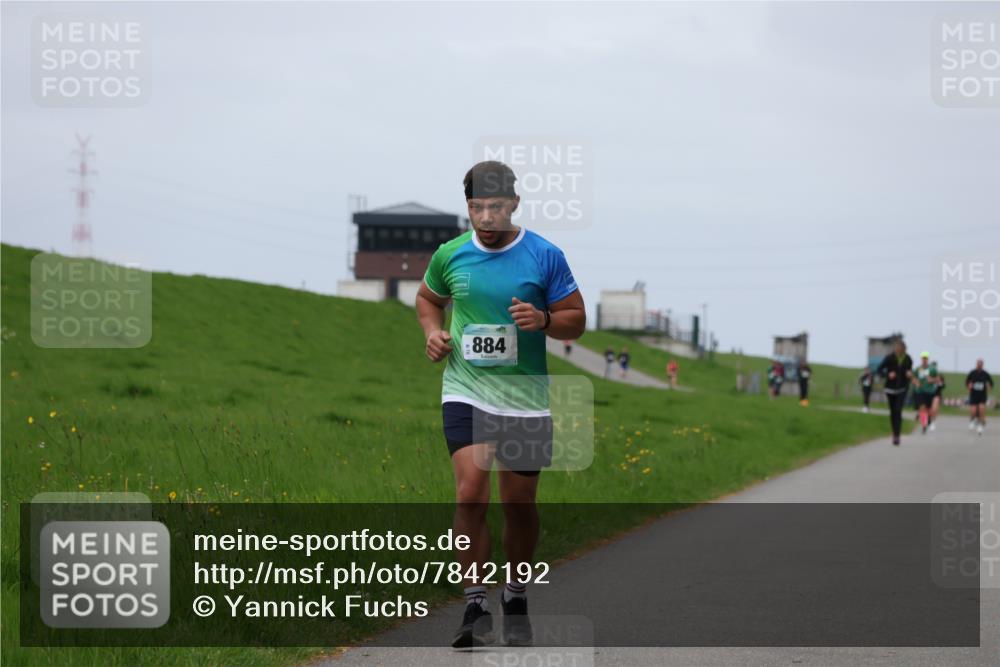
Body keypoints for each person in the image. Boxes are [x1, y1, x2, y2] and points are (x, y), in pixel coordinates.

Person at [415, 160, 586, 648]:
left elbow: (577, 321)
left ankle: (515, 594)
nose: (485, 218)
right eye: (475, 207)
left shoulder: (544, 255)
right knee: (470, 493)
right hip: (466, 390)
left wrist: (545, 318)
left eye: (495, 206)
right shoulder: (450, 255)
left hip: (525, 401)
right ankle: (474, 603)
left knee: (519, 504)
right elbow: (427, 299)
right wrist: (432, 332)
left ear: (513, 204)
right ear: (467, 206)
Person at [876, 339, 913, 446]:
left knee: (898, 410)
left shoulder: (908, 359)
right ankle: (894, 433)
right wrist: (888, 375)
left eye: (900, 349)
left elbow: (909, 371)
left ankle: (897, 435)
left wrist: (909, 374)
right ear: (895, 348)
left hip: (902, 388)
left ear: (904, 349)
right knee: (893, 412)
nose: (898, 350)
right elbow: (879, 370)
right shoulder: (889, 358)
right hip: (890, 389)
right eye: (896, 348)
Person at [911, 352, 938, 434]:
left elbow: (937, 379)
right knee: (922, 407)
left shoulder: (932, 369)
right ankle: (924, 425)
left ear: (928, 359)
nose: (924, 360)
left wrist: (932, 380)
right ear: (921, 359)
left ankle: (929, 419)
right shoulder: (917, 369)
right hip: (920, 391)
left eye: (926, 358)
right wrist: (916, 382)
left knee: (929, 409)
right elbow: (913, 379)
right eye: (923, 358)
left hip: (930, 391)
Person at [966, 359, 994, 435]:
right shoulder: (972, 373)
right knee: (973, 411)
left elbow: (991, 383)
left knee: (981, 410)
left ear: (982, 365)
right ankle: (972, 420)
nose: (979, 365)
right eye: (978, 364)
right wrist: (969, 385)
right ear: (976, 364)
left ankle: (980, 425)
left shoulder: (985, 374)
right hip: (974, 394)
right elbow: (967, 381)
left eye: (981, 364)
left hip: (982, 395)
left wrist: (989, 387)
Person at [929, 360, 945, 432]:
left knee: (934, 409)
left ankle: (932, 422)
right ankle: (928, 420)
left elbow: (943, 385)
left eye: (935, 367)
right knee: (928, 409)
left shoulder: (940, 376)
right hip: (928, 394)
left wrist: (939, 382)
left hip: (936, 394)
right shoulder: (927, 375)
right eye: (932, 366)